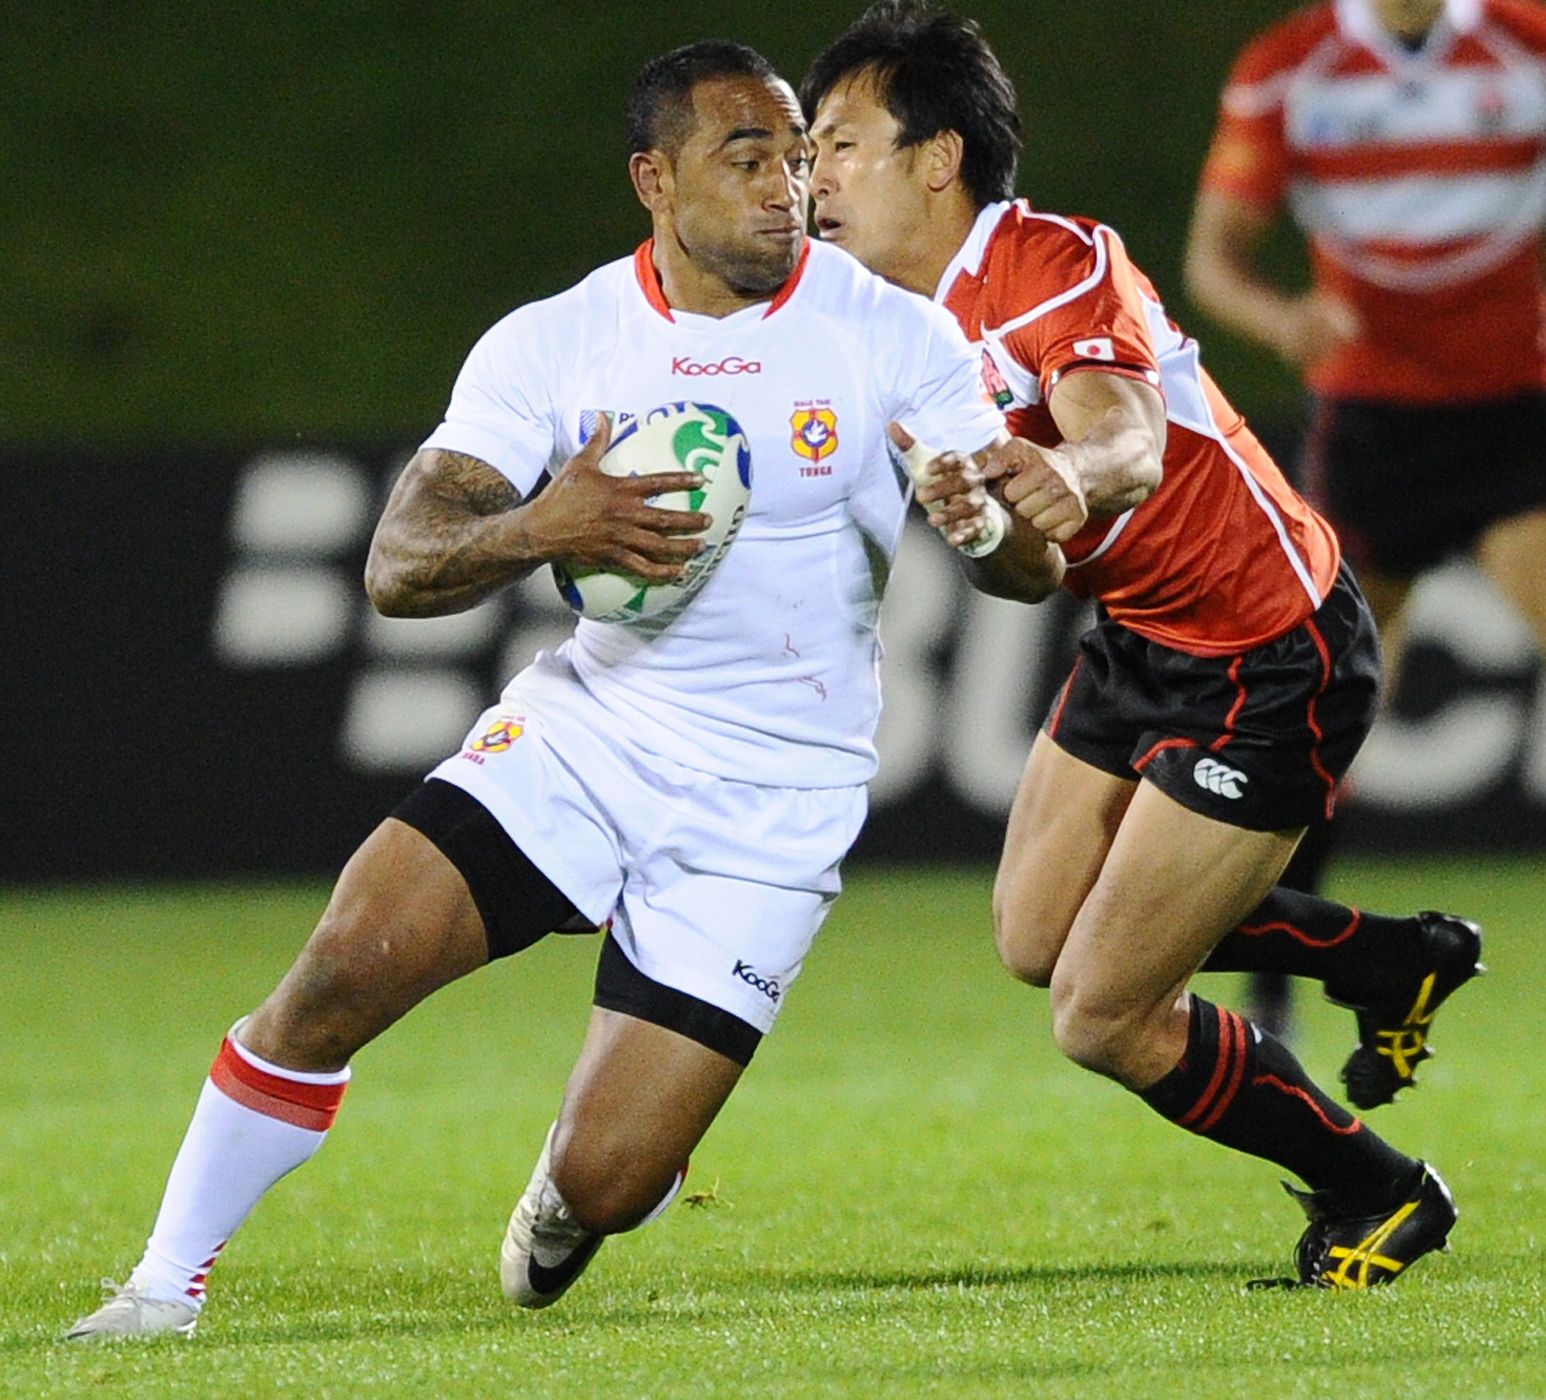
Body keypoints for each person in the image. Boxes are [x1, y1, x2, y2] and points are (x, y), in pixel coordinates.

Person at [66, 40, 1012, 1340]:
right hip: (587, 736)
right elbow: (401, 564)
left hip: (773, 803)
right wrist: (542, 524)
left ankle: (573, 1191)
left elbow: (1028, 562)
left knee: (609, 1179)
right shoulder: (559, 342)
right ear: (653, 179)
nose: (786, 188)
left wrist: (988, 521)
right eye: (746, 160)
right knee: (342, 965)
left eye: (795, 159)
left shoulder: (893, 336)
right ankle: (161, 1290)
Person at [803, 0, 1482, 1288]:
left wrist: (1068, 470)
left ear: (937, 159)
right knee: (1032, 938)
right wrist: (987, 525)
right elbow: (1022, 578)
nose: (812, 174)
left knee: (1101, 1010)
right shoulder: (879, 333)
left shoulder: (1051, 260)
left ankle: (1383, 1191)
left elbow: (1125, 437)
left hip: (1275, 649)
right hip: (1140, 637)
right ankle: (1390, 956)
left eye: (840, 142)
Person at [1183, 0, 1546, 1035]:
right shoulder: (1289, 70)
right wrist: (1281, 318)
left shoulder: (1525, 43)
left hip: (1511, 420)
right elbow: (1215, 256)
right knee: (1325, 711)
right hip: (1371, 427)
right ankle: (1273, 967)